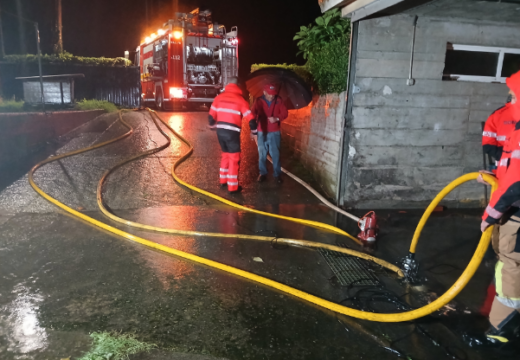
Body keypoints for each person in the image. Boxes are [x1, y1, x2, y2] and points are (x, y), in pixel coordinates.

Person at [477, 71, 520, 347]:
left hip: (515, 212)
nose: (512, 100)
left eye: (515, 95)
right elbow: (510, 165)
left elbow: (516, 181)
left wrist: (490, 215)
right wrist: (494, 172)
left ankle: (500, 330)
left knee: (511, 264)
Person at [208, 77, 254, 193]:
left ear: (228, 85)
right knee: (234, 158)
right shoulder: (241, 100)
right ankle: (233, 187)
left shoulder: (219, 98)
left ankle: (223, 180)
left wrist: (213, 124)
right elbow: (251, 119)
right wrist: (255, 132)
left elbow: (210, 117)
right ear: (238, 87)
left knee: (225, 154)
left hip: (220, 132)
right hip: (232, 133)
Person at [249, 84, 288, 183]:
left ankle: (277, 174)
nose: (272, 96)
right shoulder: (258, 101)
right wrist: (253, 130)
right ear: (264, 92)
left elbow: (285, 113)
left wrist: (277, 118)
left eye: (273, 94)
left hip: (275, 131)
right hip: (261, 130)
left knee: (275, 154)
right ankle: (263, 173)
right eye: (270, 94)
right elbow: (252, 114)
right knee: (262, 154)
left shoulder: (279, 100)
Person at [482, 92, 518, 172]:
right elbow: (488, 146)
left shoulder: (496, 115)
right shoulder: (497, 115)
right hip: (504, 167)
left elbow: (487, 146)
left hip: (503, 168)